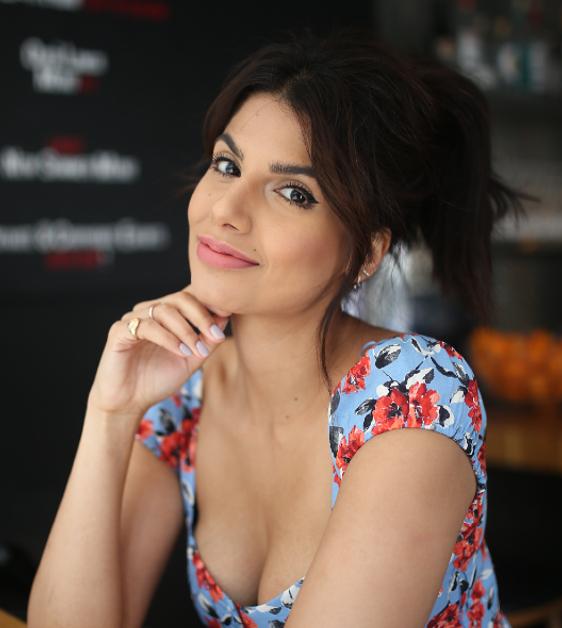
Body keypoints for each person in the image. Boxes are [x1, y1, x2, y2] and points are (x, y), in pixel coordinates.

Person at [28, 31, 518, 628]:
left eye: (293, 192)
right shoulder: (185, 394)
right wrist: (110, 414)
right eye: (227, 165)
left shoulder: (413, 395)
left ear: (364, 253)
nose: (227, 210)